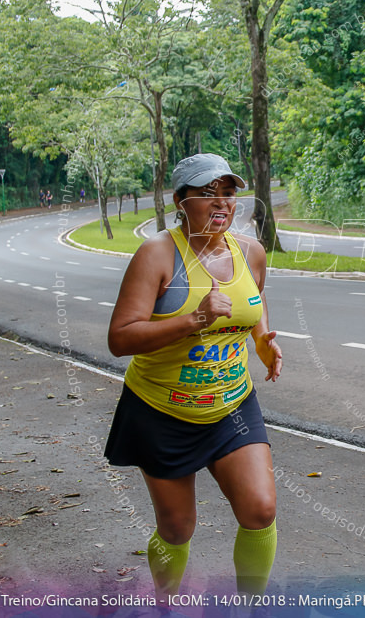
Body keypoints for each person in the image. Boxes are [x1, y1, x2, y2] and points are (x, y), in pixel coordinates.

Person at [105, 153, 283, 601]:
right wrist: (194, 320)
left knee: (260, 509)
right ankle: (165, 604)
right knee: (177, 527)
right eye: (207, 193)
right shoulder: (158, 254)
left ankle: (250, 609)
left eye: (227, 193)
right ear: (181, 201)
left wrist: (262, 341)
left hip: (231, 405)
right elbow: (121, 338)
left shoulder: (252, 252)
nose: (220, 203)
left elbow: (253, 301)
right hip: (162, 409)